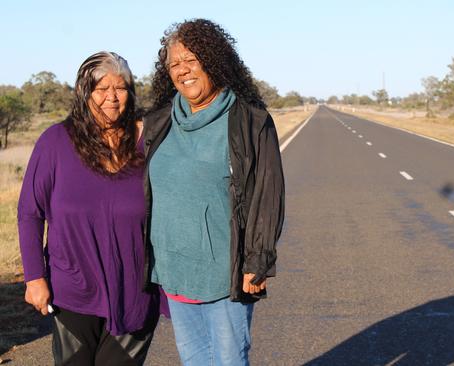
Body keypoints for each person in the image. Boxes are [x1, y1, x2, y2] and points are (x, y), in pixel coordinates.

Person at [142, 18, 284, 365]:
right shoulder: (159, 121)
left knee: (228, 360)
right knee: (194, 361)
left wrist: (258, 261)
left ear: (214, 61)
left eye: (192, 59)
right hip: (175, 269)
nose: (182, 70)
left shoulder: (250, 121)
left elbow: (268, 195)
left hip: (225, 272)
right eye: (174, 63)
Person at [18, 51, 161, 366]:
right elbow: (30, 212)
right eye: (101, 88)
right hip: (72, 291)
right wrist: (34, 278)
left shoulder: (149, 141)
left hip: (135, 291)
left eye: (120, 88)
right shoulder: (56, 141)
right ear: (85, 93)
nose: (111, 97)